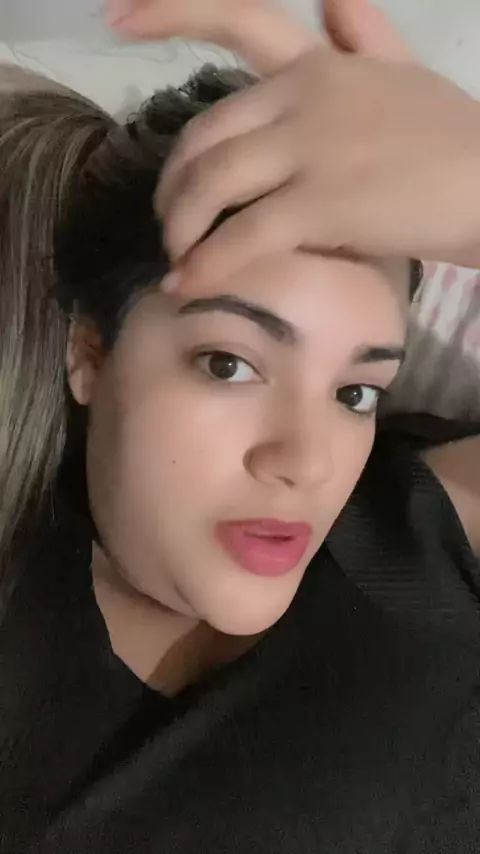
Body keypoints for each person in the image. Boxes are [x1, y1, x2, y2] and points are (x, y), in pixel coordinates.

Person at [1, 3, 480, 853]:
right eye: (229, 364)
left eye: (355, 392)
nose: (306, 461)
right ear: (90, 351)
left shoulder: (417, 534)